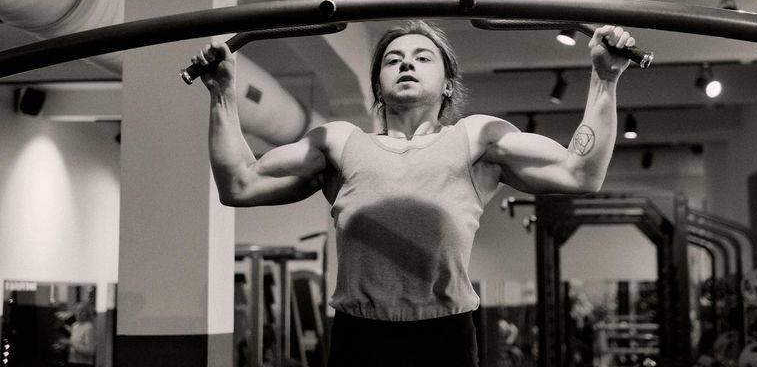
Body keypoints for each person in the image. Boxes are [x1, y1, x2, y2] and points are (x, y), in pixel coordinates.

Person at [191, 19, 635, 367]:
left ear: (447, 84)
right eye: (393, 59)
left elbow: (581, 173)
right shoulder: (340, 143)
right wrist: (222, 94)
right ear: (379, 86)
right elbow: (240, 184)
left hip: (444, 337)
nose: (406, 63)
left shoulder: (475, 138)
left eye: (422, 57)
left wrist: (605, 79)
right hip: (358, 336)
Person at [67, 302, 96, 367]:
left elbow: (90, 351)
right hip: (72, 361)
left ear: (87, 314)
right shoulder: (74, 326)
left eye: (82, 311)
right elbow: (74, 343)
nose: (79, 313)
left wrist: (72, 344)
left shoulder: (89, 327)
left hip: (84, 363)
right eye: (77, 310)